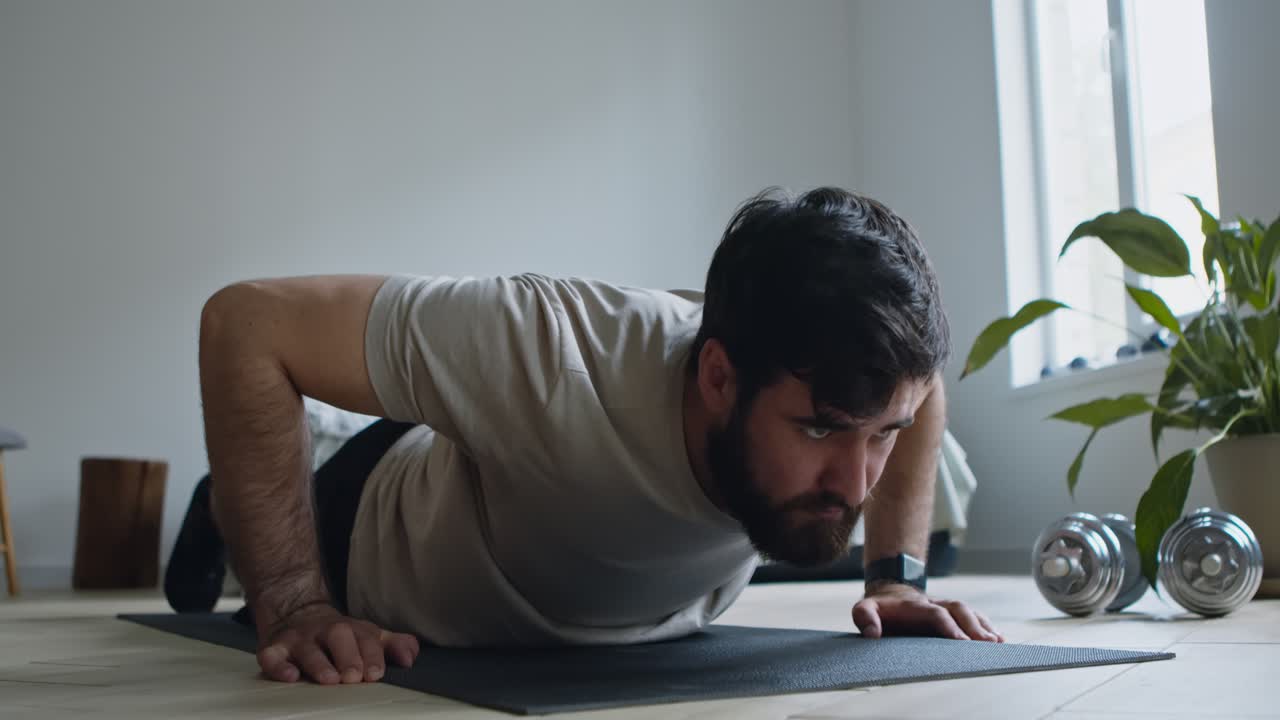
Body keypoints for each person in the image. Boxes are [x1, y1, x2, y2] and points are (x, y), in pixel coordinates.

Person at [166, 186, 1004, 686]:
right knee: (286, 504)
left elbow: (920, 393)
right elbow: (247, 324)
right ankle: (221, 507)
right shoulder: (549, 344)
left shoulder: (856, 382)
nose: (856, 487)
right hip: (377, 522)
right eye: (819, 429)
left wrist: (897, 581)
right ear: (718, 378)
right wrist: (294, 603)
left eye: (881, 435)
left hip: (576, 575)